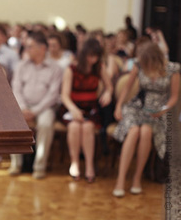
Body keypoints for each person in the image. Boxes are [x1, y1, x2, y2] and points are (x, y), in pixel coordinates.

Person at [112, 42, 180, 197]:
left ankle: (137, 177)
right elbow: (127, 87)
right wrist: (118, 106)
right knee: (134, 131)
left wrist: (162, 110)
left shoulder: (173, 69)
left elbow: (174, 97)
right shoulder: (138, 64)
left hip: (159, 110)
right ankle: (120, 179)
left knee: (146, 132)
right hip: (137, 106)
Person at [9, 31, 63, 179]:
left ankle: (39, 166)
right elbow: (16, 89)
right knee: (14, 121)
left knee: (45, 124)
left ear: (42, 48)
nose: (27, 50)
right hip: (23, 106)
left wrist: (36, 111)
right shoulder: (21, 65)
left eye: (30, 47)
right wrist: (23, 108)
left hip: (45, 107)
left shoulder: (55, 68)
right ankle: (16, 164)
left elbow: (53, 94)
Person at [60, 38, 112, 183]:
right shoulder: (72, 69)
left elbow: (109, 87)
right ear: (84, 55)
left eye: (96, 56)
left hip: (91, 107)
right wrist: (74, 109)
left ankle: (89, 165)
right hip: (72, 106)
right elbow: (64, 95)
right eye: (90, 56)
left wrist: (108, 93)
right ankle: (75, 162)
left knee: (88, 127)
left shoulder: (99, 67)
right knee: (75, 127)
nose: (93, 60)